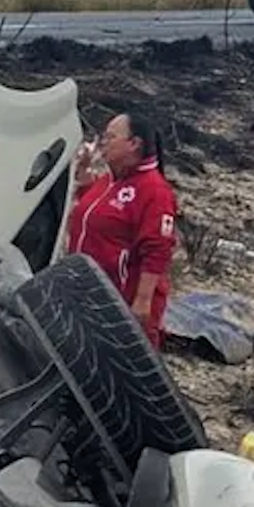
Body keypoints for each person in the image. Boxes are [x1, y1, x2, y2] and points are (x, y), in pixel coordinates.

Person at [65, 111, 179, 349]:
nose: (103, 142)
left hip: (122, 299)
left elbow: (158, 248)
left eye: (110, 137)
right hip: (88, 292)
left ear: (134, 144)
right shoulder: (111, 180)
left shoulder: (154, 190)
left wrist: (143, 301)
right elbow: (93, 207)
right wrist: (83, 168)